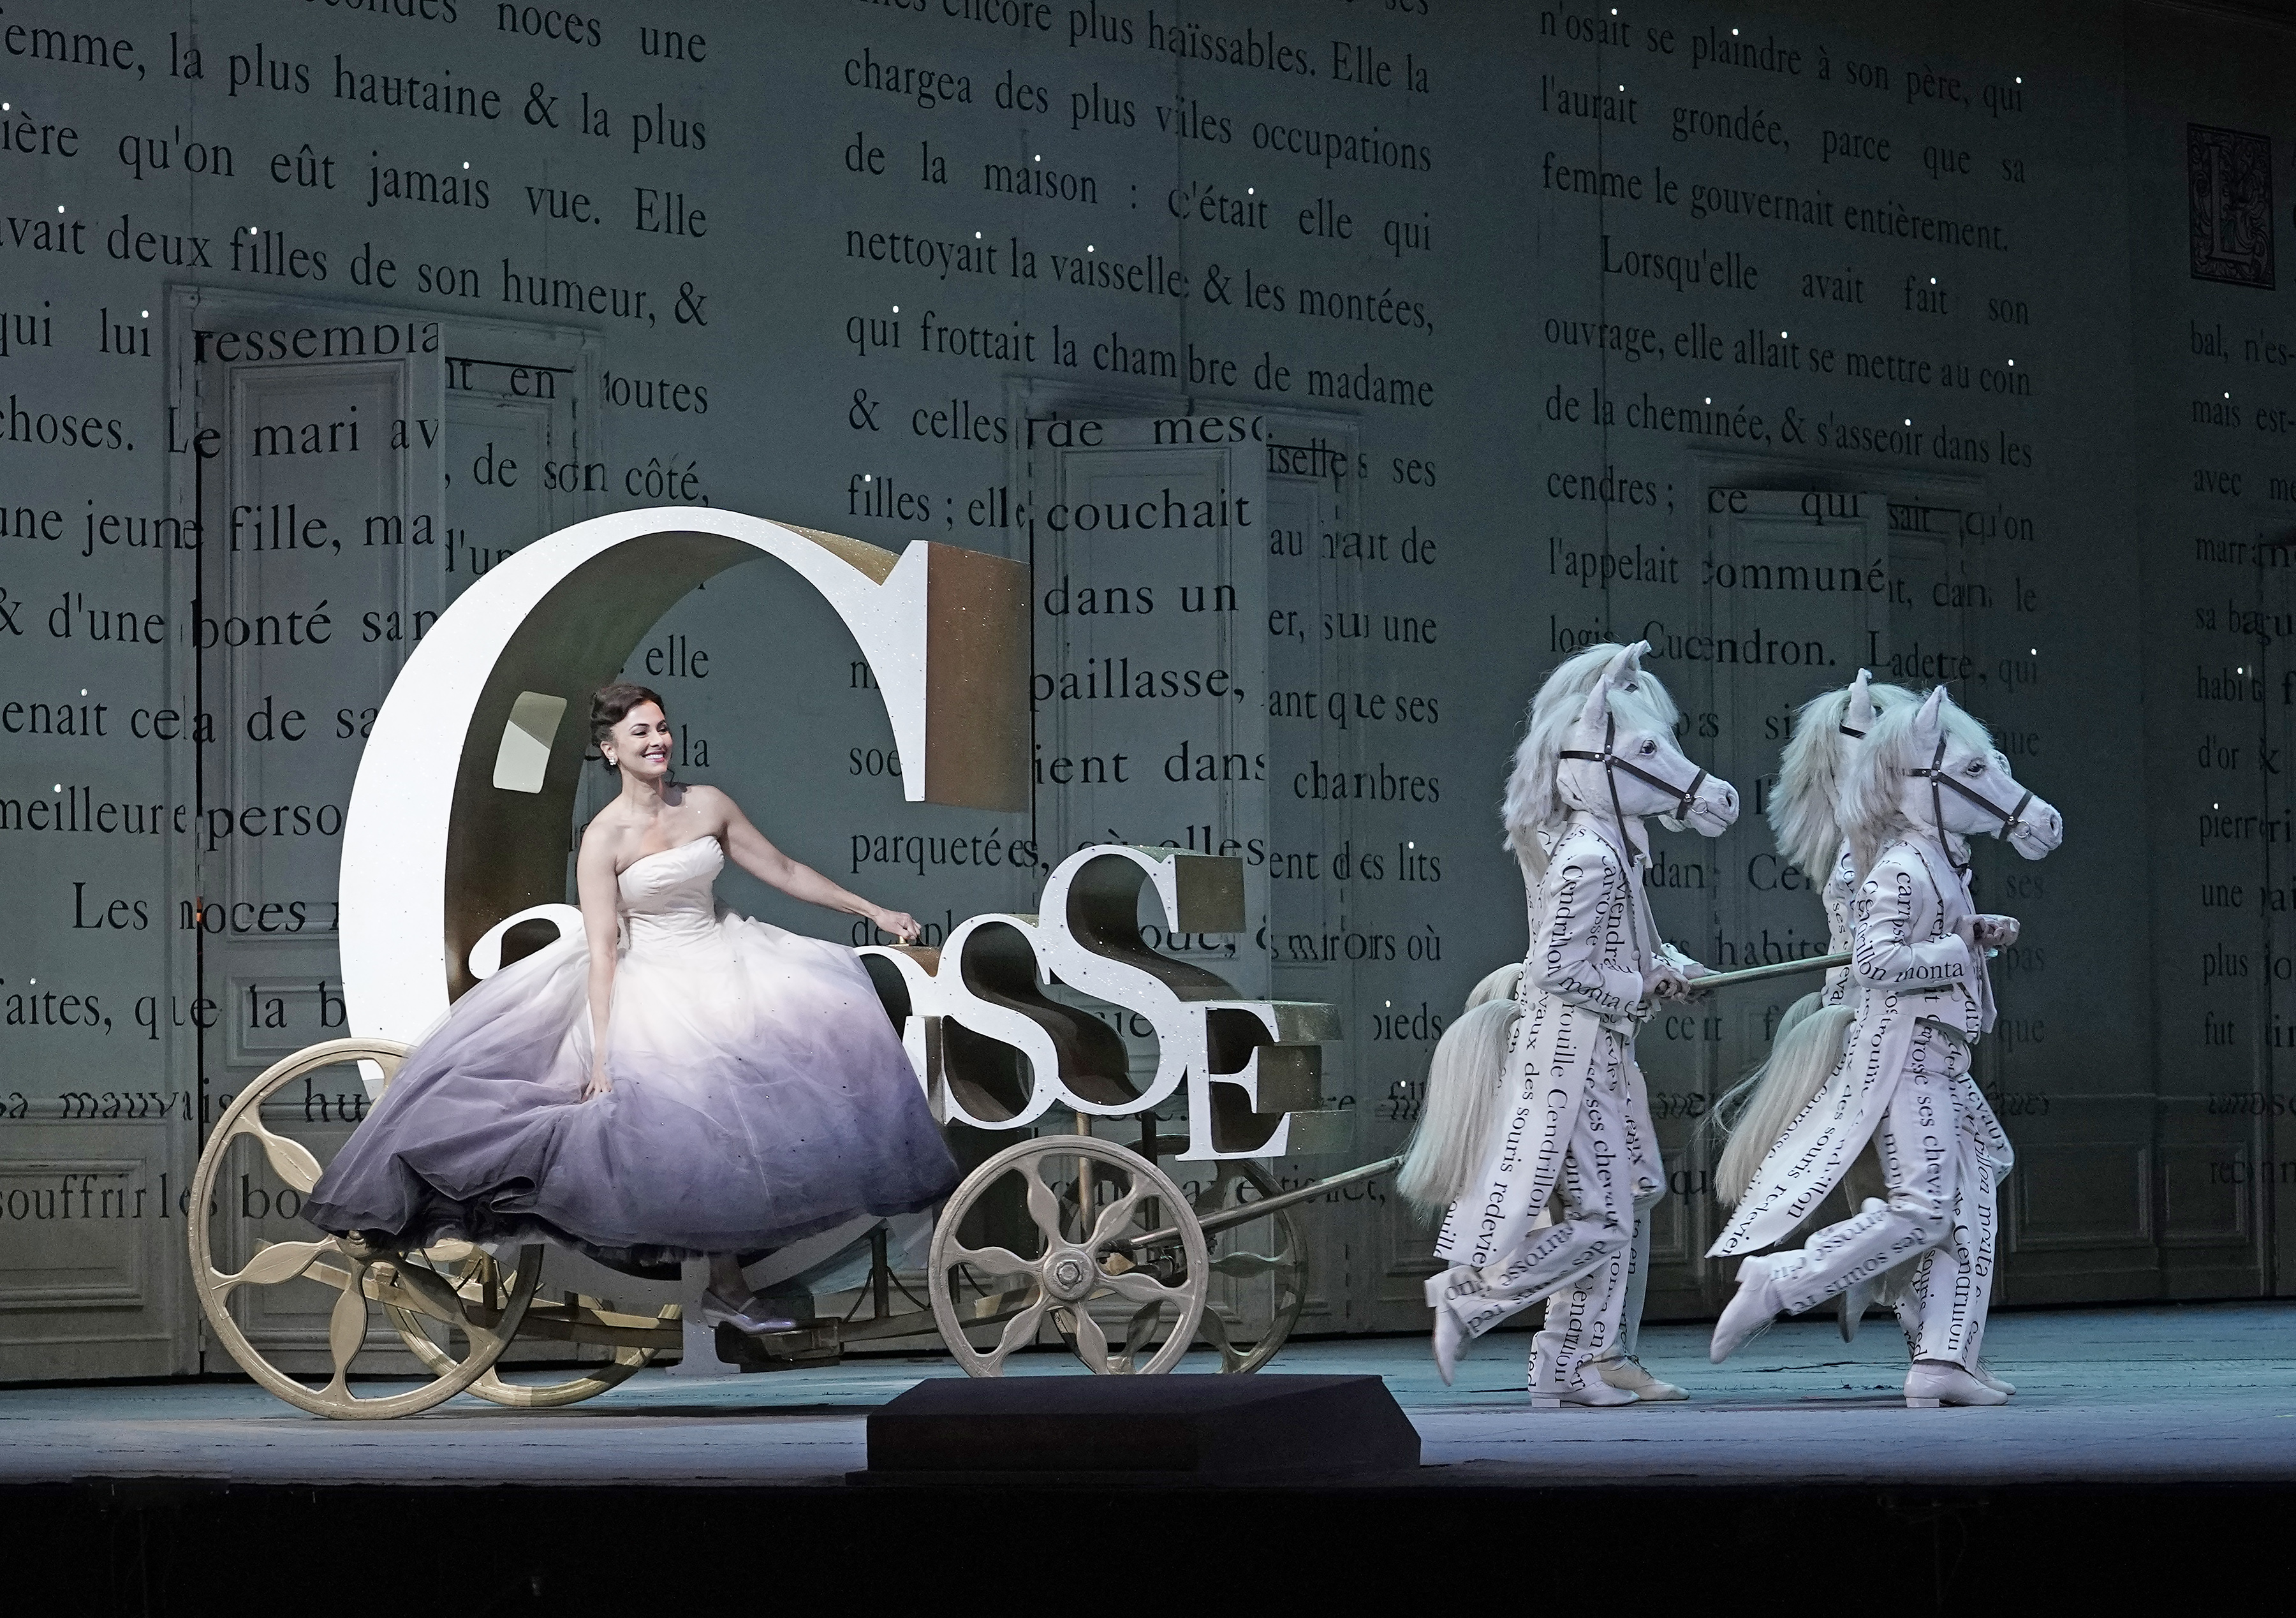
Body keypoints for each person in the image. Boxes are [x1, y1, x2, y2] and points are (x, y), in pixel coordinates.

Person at [304, 682, 959, 1337]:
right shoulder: (604, 837)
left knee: (830, 1018)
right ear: (610, 749)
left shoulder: (707, 803)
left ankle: (735, 1284)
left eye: (662, 727)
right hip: (650, 974)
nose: (658, 741)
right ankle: (725, 1287)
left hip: (728, 954)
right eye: (641, 732)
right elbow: (602, 949)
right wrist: (602, 1054)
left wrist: (873, 910)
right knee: (682, 1107)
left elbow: (784, 869)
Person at [1707, 687, 2063, 1406]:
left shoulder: (1933, 861)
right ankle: (1785, 1279)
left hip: (1937, 1053)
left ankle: (1945, 1354)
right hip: (1905, 1054)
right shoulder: (1897, 864)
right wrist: (1957, 946)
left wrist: (1972, 933)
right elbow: (1877, 961)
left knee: (1979, 1173)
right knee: (1927, 1207)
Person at [1419, 642, 1739, 1405]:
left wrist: (1670, 967)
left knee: (1636, 1189)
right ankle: (1473, 1300)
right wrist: (1641, 984)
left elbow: (1619, 944)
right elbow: (1556, 968)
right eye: (1646, 752)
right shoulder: (1589, 856)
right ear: (1592, 762)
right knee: (1602, 1214)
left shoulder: (1611, 850)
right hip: (1575, 1052)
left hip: (1603, 1049)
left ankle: (1578, 1357)